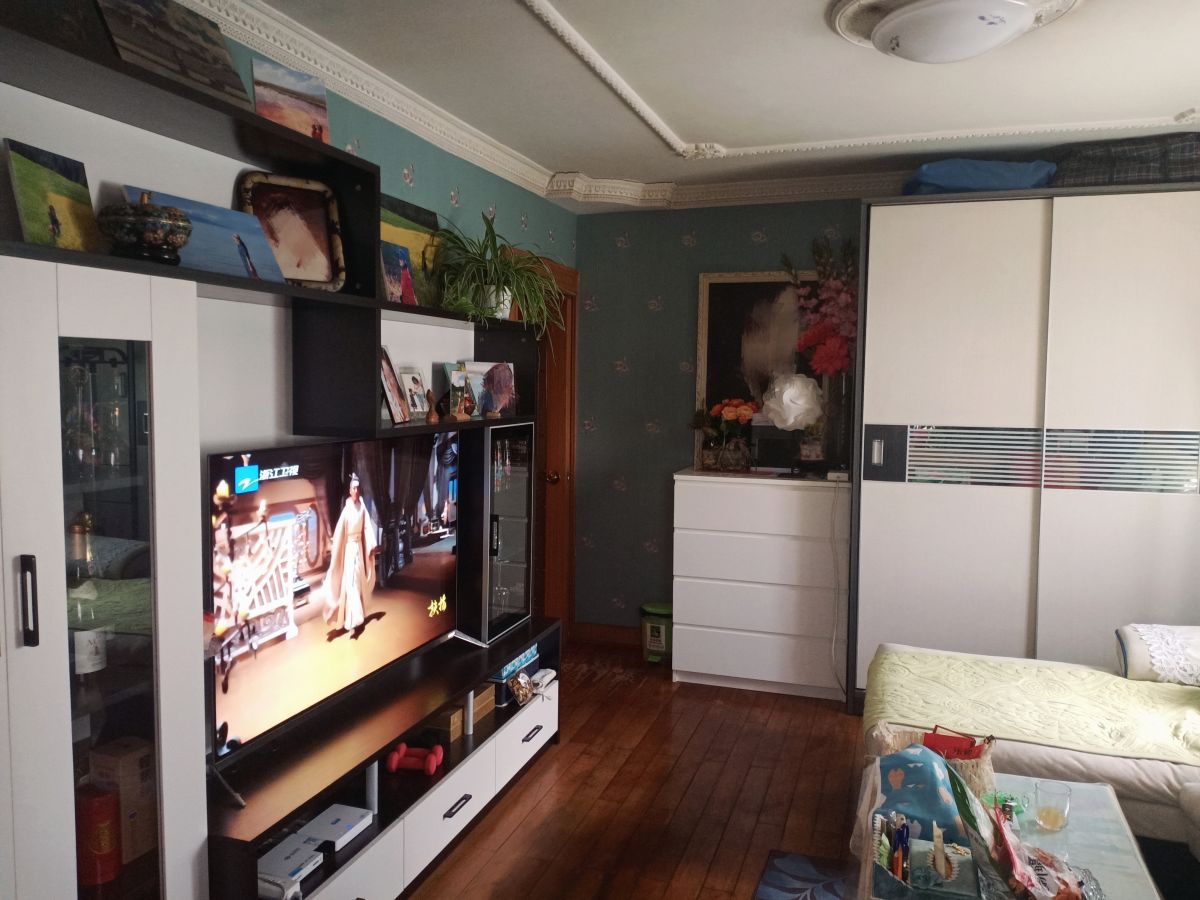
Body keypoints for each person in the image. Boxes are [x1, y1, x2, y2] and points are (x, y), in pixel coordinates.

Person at [322, 473, 378, 634]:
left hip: (358, 548)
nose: (356, 490)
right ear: (349, 490)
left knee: (357, 582)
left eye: (358, 488)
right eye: (354, 488)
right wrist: (335, 545)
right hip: (349, 550)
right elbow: (340, 531)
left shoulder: (362, 507)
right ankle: (353, 620)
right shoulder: (346, 510)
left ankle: (354, 617)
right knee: (350, 583)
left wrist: (371, 545)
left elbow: (366, 527)